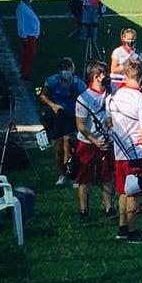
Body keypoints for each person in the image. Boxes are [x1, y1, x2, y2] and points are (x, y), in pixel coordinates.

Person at [106, 60, 142, 243]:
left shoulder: (113, 97)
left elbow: (109, 122)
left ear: (125, 76)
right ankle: (134, 232)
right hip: (136, 153)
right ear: (141, 76)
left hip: (119, 152)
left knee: (123, 192)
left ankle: (122, 227)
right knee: (134, 193)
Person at [74, 60, 116, 225]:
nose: (107, 77)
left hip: (108, 141)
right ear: (95, 76)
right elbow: (81, 125)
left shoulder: (111, 94)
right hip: (88, 143)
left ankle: (109, 208)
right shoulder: (83, 98)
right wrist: (95, 141)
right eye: (104, 74)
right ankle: (84, 210)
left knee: (107, 176)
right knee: (85, 178)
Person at [40, 57, 87, 187]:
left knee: (68, 145)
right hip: (56, 116)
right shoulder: (52, 81)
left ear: (72, 70)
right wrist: (53, 105)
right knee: (57, 147)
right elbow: (43, 96)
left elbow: (87, 101)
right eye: (62, 69)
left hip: (71, 116)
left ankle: (69, 173)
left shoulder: (79, 85)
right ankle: (61, 174)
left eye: (67, 69)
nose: (64, 72)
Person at [16, 0, 40, 81]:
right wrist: (24, 36)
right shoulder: (22, 8)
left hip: (31, 34)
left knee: (29, 55)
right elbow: (21, 22)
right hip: (28, 35)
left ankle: (25, 72)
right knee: (29, 55)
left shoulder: (26, 7)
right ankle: (25, 73)